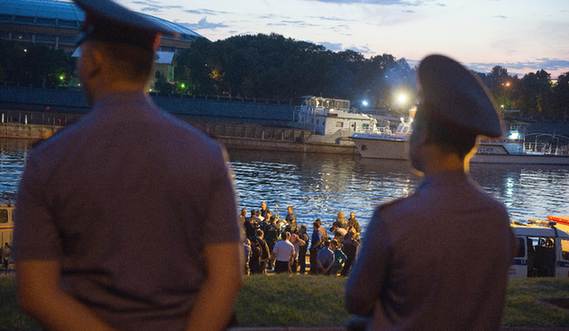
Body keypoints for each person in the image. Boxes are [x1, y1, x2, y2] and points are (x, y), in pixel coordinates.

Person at [13, 2, 242, 331]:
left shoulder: (48, 159)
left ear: (93, 61)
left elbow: (36, 293)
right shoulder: (206, 154)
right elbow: (227, 279)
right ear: (149, 66)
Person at [346, 54, 515, 330]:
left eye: (413, 129)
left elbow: (356, 300)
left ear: (422, 135)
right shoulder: (498, 218)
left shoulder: (393, 219)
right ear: (470, 147)